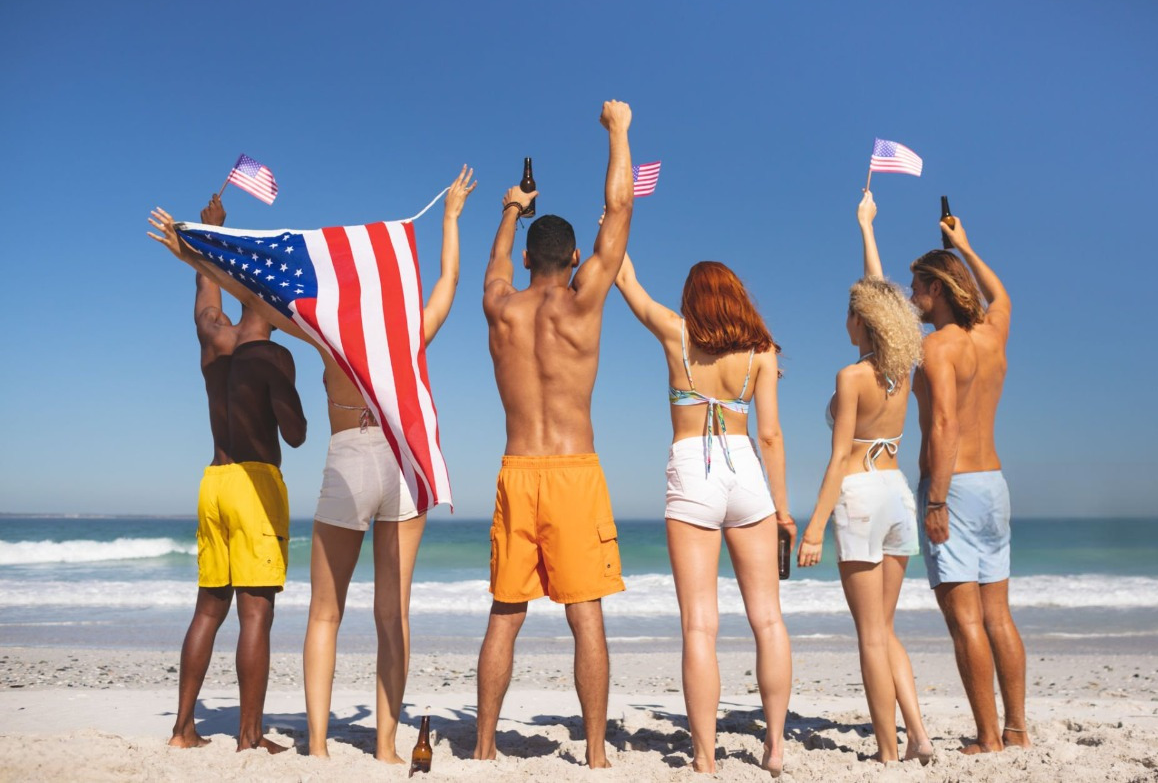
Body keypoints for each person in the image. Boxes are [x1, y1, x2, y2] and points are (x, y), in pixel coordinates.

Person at [149, 168, 477, 762]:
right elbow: (449, 280)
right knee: (391, 615)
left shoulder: (331, 339)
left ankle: (320, 747)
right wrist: (451, 216)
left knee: (325, 613)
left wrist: (192, 250)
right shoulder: (408, 336)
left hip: (349, 456)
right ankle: (384, 747)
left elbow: (257, 294)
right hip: (401, 459)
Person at [474, 100, 633, 769]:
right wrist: (618, 132)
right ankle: (595, 755)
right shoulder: (583, 300)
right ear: (572, 256)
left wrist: (513, 205)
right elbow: (619, 213)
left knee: (506, 616)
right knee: (585, 616)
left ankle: (482, 749)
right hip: (572, 473)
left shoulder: (500, 308)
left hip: (518, 469)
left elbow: (494, 268)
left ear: (530, 256)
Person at [613, 251, 793, 775]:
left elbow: (627, 282)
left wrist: (613, 227)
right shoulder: (762, 352)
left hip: (694, 466)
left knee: (699, 626)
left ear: (693, 300)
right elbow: (771, 435)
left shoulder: (677, 333)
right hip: (745, 469)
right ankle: (776, 746)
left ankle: (705, 758)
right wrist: (783, 511)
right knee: (768, 620)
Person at [148, 197, 307, 753]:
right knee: (256, 610)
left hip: (213, 479)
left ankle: (183, 729)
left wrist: (206, 238)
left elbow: (205, 298)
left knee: (209, 606)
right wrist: (289, 386)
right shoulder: (273, 355)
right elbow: (296, 434)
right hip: (256, 484)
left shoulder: (214, 334)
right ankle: (248, 737)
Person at [796, 190, 932, 765]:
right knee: (886, 629)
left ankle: (887, 751)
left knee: (871, 636)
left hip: (857, 498)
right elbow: (885, 294)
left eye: (849, 311)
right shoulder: (902, 367)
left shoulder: (851, 376)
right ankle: (920, 734)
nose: (844, 319)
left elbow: (837, 461)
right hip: (898, 496)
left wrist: (813, 527)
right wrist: (866, 227)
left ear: (862, 320)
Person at [910, 211, 1027, 753]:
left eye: (916, 287)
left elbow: (944, 424)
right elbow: (1000, 295)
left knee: (965, 622)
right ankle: (1016, 729)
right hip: (994, 483)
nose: (912, 296)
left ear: (936, 289)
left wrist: (936, 500)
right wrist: (967, 246)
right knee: (997, 614)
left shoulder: (939, 349)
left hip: (952, 486)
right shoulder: (991, 334)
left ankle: (987, 737)